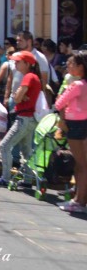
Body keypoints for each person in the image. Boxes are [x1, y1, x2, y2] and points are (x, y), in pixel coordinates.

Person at [0, 51, 42, 186]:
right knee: (27, 151)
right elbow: (20, 97)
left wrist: (18, 96)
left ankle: (5, 178)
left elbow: (17, 98)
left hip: (23, 118)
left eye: (18, 61)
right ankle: (27, 180)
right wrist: (19, 96)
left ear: (27, 64)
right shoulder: (34, 77)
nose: (15, 64)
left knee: (4, 146)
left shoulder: (28, 77)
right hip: (30, 119)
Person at [54, 51, 87, 213]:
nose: (69, 66)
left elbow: (59, 103)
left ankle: (79, 201)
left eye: (72, 63)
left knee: (81, 165)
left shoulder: (77, 85)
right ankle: (80, 199)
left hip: (76, 125)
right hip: (83, 123)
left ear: (81, 67)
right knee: (82, 165)